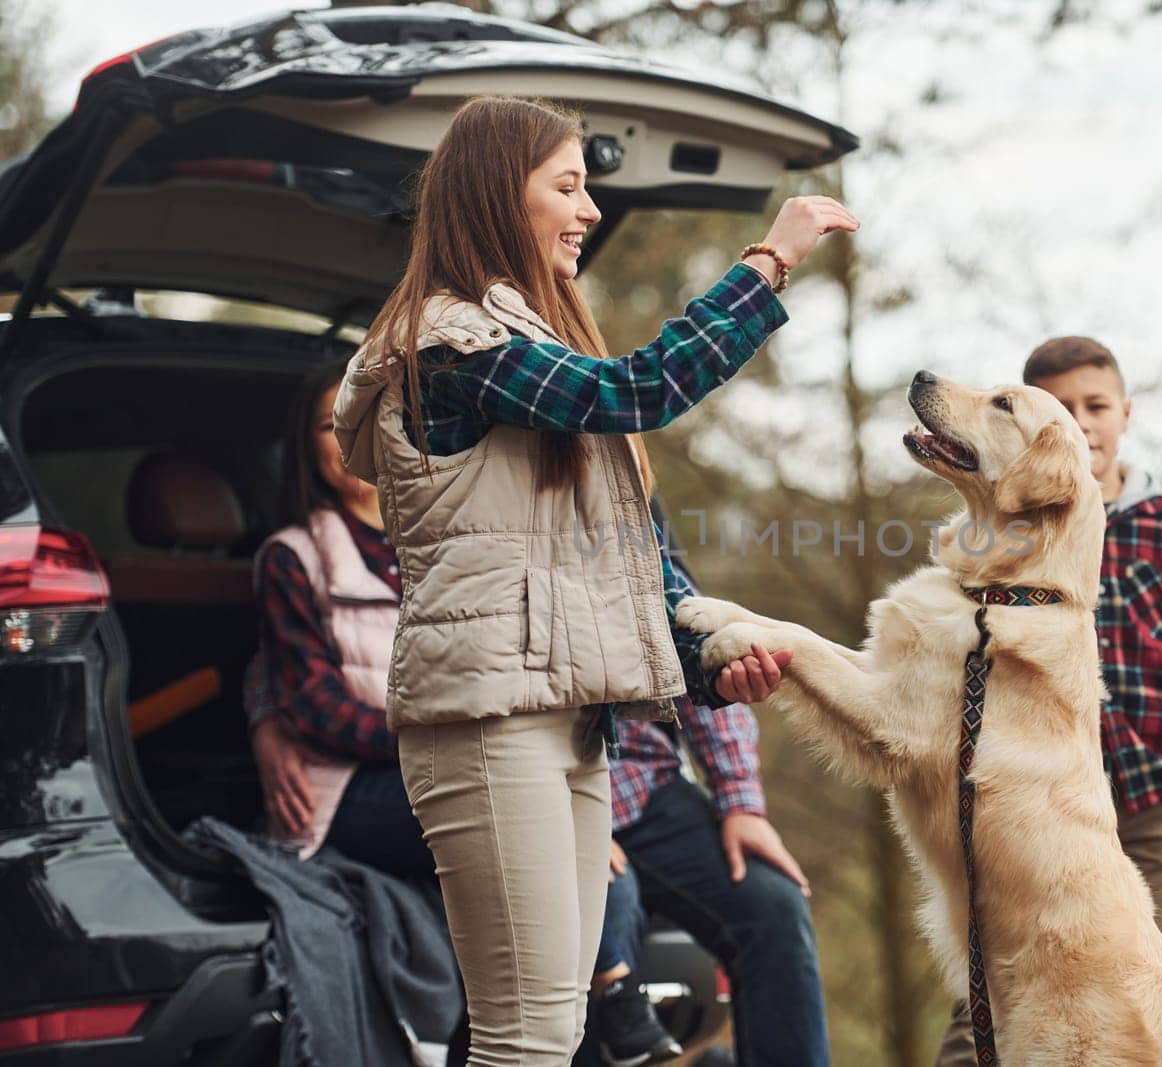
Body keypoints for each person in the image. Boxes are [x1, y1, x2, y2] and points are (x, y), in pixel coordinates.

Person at [332, 96, 857, 1066]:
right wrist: (769, 260)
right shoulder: (450, 348)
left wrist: (703, 665)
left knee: (556, 1029)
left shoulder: (520, 356)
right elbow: (640, 391)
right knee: (526, 1037)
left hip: (567, 724)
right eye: (567, 186)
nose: (588, 212)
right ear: (499, 193)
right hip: (490, 725)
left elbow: (614, 568)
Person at [934, 336, 1162, 1065]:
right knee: (995, 992)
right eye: (1065, 407)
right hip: (1037, 808)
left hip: (1153, 803)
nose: (1082, 421)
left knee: (1133, 998)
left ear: (1125, 413)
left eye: (1097, 405)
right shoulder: (1005, 527)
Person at [247, 361, 434, 881]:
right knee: (496, 817)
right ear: (308, 447)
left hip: (455, 767)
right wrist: (439, 742)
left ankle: (604, 967)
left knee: (595, 865)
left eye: (372, 416)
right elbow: (314, 707)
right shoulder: (291, 557)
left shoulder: (454, 537)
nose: (354, 437)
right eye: (332, 426)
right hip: (350, 783)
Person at [582, 684, 826, 1067]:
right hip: (553, 796)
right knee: (609, 907)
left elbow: (698, 668)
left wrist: (740, 799)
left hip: (643, 784)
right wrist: (571, 820)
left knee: (775, 903)